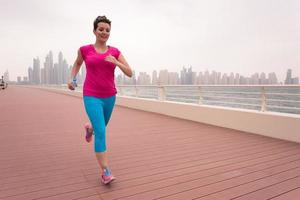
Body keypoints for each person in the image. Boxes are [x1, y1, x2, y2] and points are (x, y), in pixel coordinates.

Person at [68, 15, 132, 185]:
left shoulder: (115, 52)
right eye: (101, 29)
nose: (104, 32)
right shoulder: (85, 49)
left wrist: (116, 62)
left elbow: (130, 72)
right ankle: (105, 171)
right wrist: (72, 79)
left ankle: (89, 128)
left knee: (100, 127)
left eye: (107, 30)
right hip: (91, 95)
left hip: (110, 96)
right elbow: (77, 64)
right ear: (94, 31)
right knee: (102, 132)